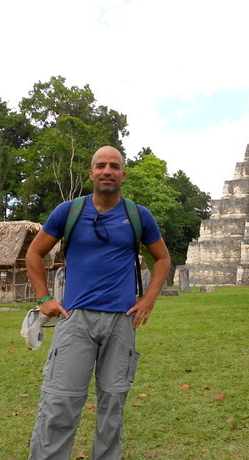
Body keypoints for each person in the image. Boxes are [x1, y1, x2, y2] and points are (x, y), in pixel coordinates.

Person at [26, 145, 171, 460]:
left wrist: (149, 299)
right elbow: (34, 253)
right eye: (101, 166)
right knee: (60, 401)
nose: (108, 171)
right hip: (75, 319)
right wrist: (44, 298)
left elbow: (162, 258)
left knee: (112, 404)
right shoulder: (69, 212)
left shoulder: (137, 215)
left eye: (114, 166)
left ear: (123, 174)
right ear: (91, 173)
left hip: (121, 321)